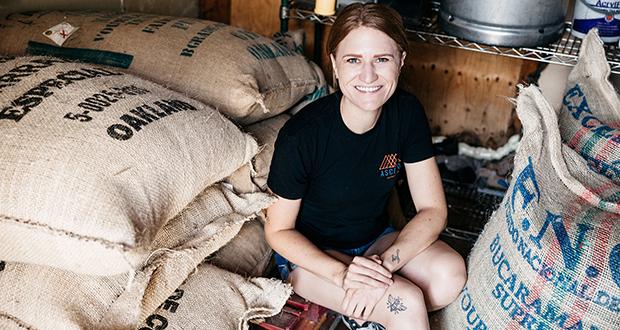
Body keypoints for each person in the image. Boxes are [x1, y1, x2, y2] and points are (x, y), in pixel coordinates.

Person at [265, 3, 466, 329]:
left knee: (450, 275)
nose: (368, 76)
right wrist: (345, 276)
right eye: (354, 60)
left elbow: (432, 210)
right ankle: (375, 309)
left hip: (376, 242)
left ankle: (367, 312)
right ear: (334, 64)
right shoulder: (302, 137)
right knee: (406, 303)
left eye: (381, 60)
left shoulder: (406, 113)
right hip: (313, 259)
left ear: (400, 61)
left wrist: (381, 268)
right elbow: (278, 231)